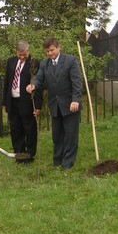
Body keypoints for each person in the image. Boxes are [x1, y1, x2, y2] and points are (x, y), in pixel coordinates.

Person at [27, 37, 82, 170]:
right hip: (55, 105)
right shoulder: (45, 64)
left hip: (70, 104)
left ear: (58, 48)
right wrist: (33, 85)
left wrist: (75, 100)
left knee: (70, 134)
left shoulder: (70, 61)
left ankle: (68, 162)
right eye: (47, 51)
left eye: (52, 50)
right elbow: (39, 78)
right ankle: (57, 160)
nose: (50, 53)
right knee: (57, 134)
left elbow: (77, 82)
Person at [2, 41, 43, 163]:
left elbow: (38, 85)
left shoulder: (34, 63)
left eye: (24, 54)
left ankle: (29, 155)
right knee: (15, 129)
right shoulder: (11, 61)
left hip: (27, 102)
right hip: (13, 101)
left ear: (28, 51)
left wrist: (38, 106)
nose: (22, 57)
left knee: (29, 129)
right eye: (19, 55)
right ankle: (19, 155)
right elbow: (7, 82)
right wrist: (5, 102)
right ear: (16, 52)